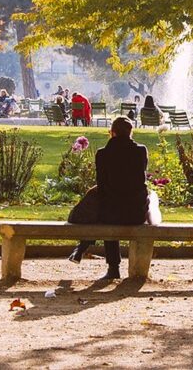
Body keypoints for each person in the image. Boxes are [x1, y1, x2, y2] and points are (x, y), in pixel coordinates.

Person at [67, 117, 150, 280]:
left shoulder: (102, 154)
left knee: (106, 207)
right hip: (135, 213)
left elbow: (102, 185)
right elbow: (140, 179)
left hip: (110, 213)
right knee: (112, 205)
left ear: (112, 133)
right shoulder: (140, 151)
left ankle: (110, 265)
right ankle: (82, 247)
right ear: (130, 133)